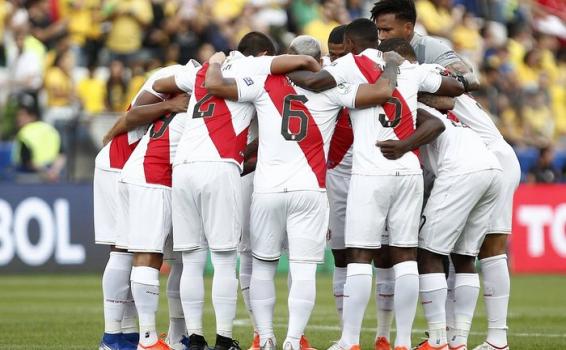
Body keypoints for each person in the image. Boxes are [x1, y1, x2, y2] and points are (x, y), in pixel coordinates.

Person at [203, 33, 426, 350]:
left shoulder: (265, 81)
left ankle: (264, 338)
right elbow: (381, 92)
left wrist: (216, 63)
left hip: (267, 189)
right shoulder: (332, 88)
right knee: (304, 269)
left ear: (289, 55)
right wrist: (390, 65)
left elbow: (218, 87)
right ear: (319, 60)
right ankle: (294, 340)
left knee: (263, 267)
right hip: (310, 189)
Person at [288, 19, 463, 350]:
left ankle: (350, 340)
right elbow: (453, 88)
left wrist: (274, 67)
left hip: (371, 172)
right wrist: (458, 78)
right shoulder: (408, 68)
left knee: (359, 256)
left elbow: (312, 82)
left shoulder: (349, 64)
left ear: (351, 44)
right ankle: (402, 342)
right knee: (405, 256)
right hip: (409, 169)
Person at [370, 2, 521, 349]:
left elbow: (462, 88)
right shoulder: (417, 72)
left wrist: (413, 89)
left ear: (408, 29)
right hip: (481, 157)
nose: (381, 38)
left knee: (482, 250)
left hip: (484, 153)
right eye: (378, 30)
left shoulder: (428, 55)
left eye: (387, 31)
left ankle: (464, 337)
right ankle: (463, 338)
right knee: (464, 254)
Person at [166, 32, 321, 350]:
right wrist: (312, 62)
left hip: (182, 167)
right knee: (223, 259)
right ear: (264, 52)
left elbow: (166, 81)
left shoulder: (200, 71)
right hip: (218, 163)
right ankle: (224, 338)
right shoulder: (259, 65)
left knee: (192, 260)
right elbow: (300, 61)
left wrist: (214, 61)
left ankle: (195, 338)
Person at [94, 64, 192, 350]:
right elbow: (133, 115)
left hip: (132, 166)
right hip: (119, 164)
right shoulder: (169, 79)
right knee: (123, 251)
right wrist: (172, 105)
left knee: (130, 252)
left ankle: (125, 333)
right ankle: (113, 336)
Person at [409, 104, 502, 350]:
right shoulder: (452, 119)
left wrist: (401, 147)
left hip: (461, 170)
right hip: (491, 169)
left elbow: (432, 126)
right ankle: (458, 341)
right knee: (464, 256)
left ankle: (437, 341)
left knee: (428, 252)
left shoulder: (416, 107)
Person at [12, 99, 66, 182]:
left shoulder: (25, 133)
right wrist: (54, 171)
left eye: (22, 115)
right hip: (53, 177)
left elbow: (27, 160)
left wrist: (47, 173)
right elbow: (61, 155)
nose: (18, 118)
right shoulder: (51, 129)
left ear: (33, 116)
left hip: (30, 177)